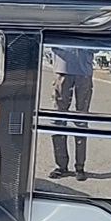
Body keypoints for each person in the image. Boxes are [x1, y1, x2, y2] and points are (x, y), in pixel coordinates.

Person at [46, 44, 94, 180]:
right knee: (57, 121)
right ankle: (61, 166)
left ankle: (80, 167)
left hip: (84, 73)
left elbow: (97, 45)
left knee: (81, 122)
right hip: (62, 71)